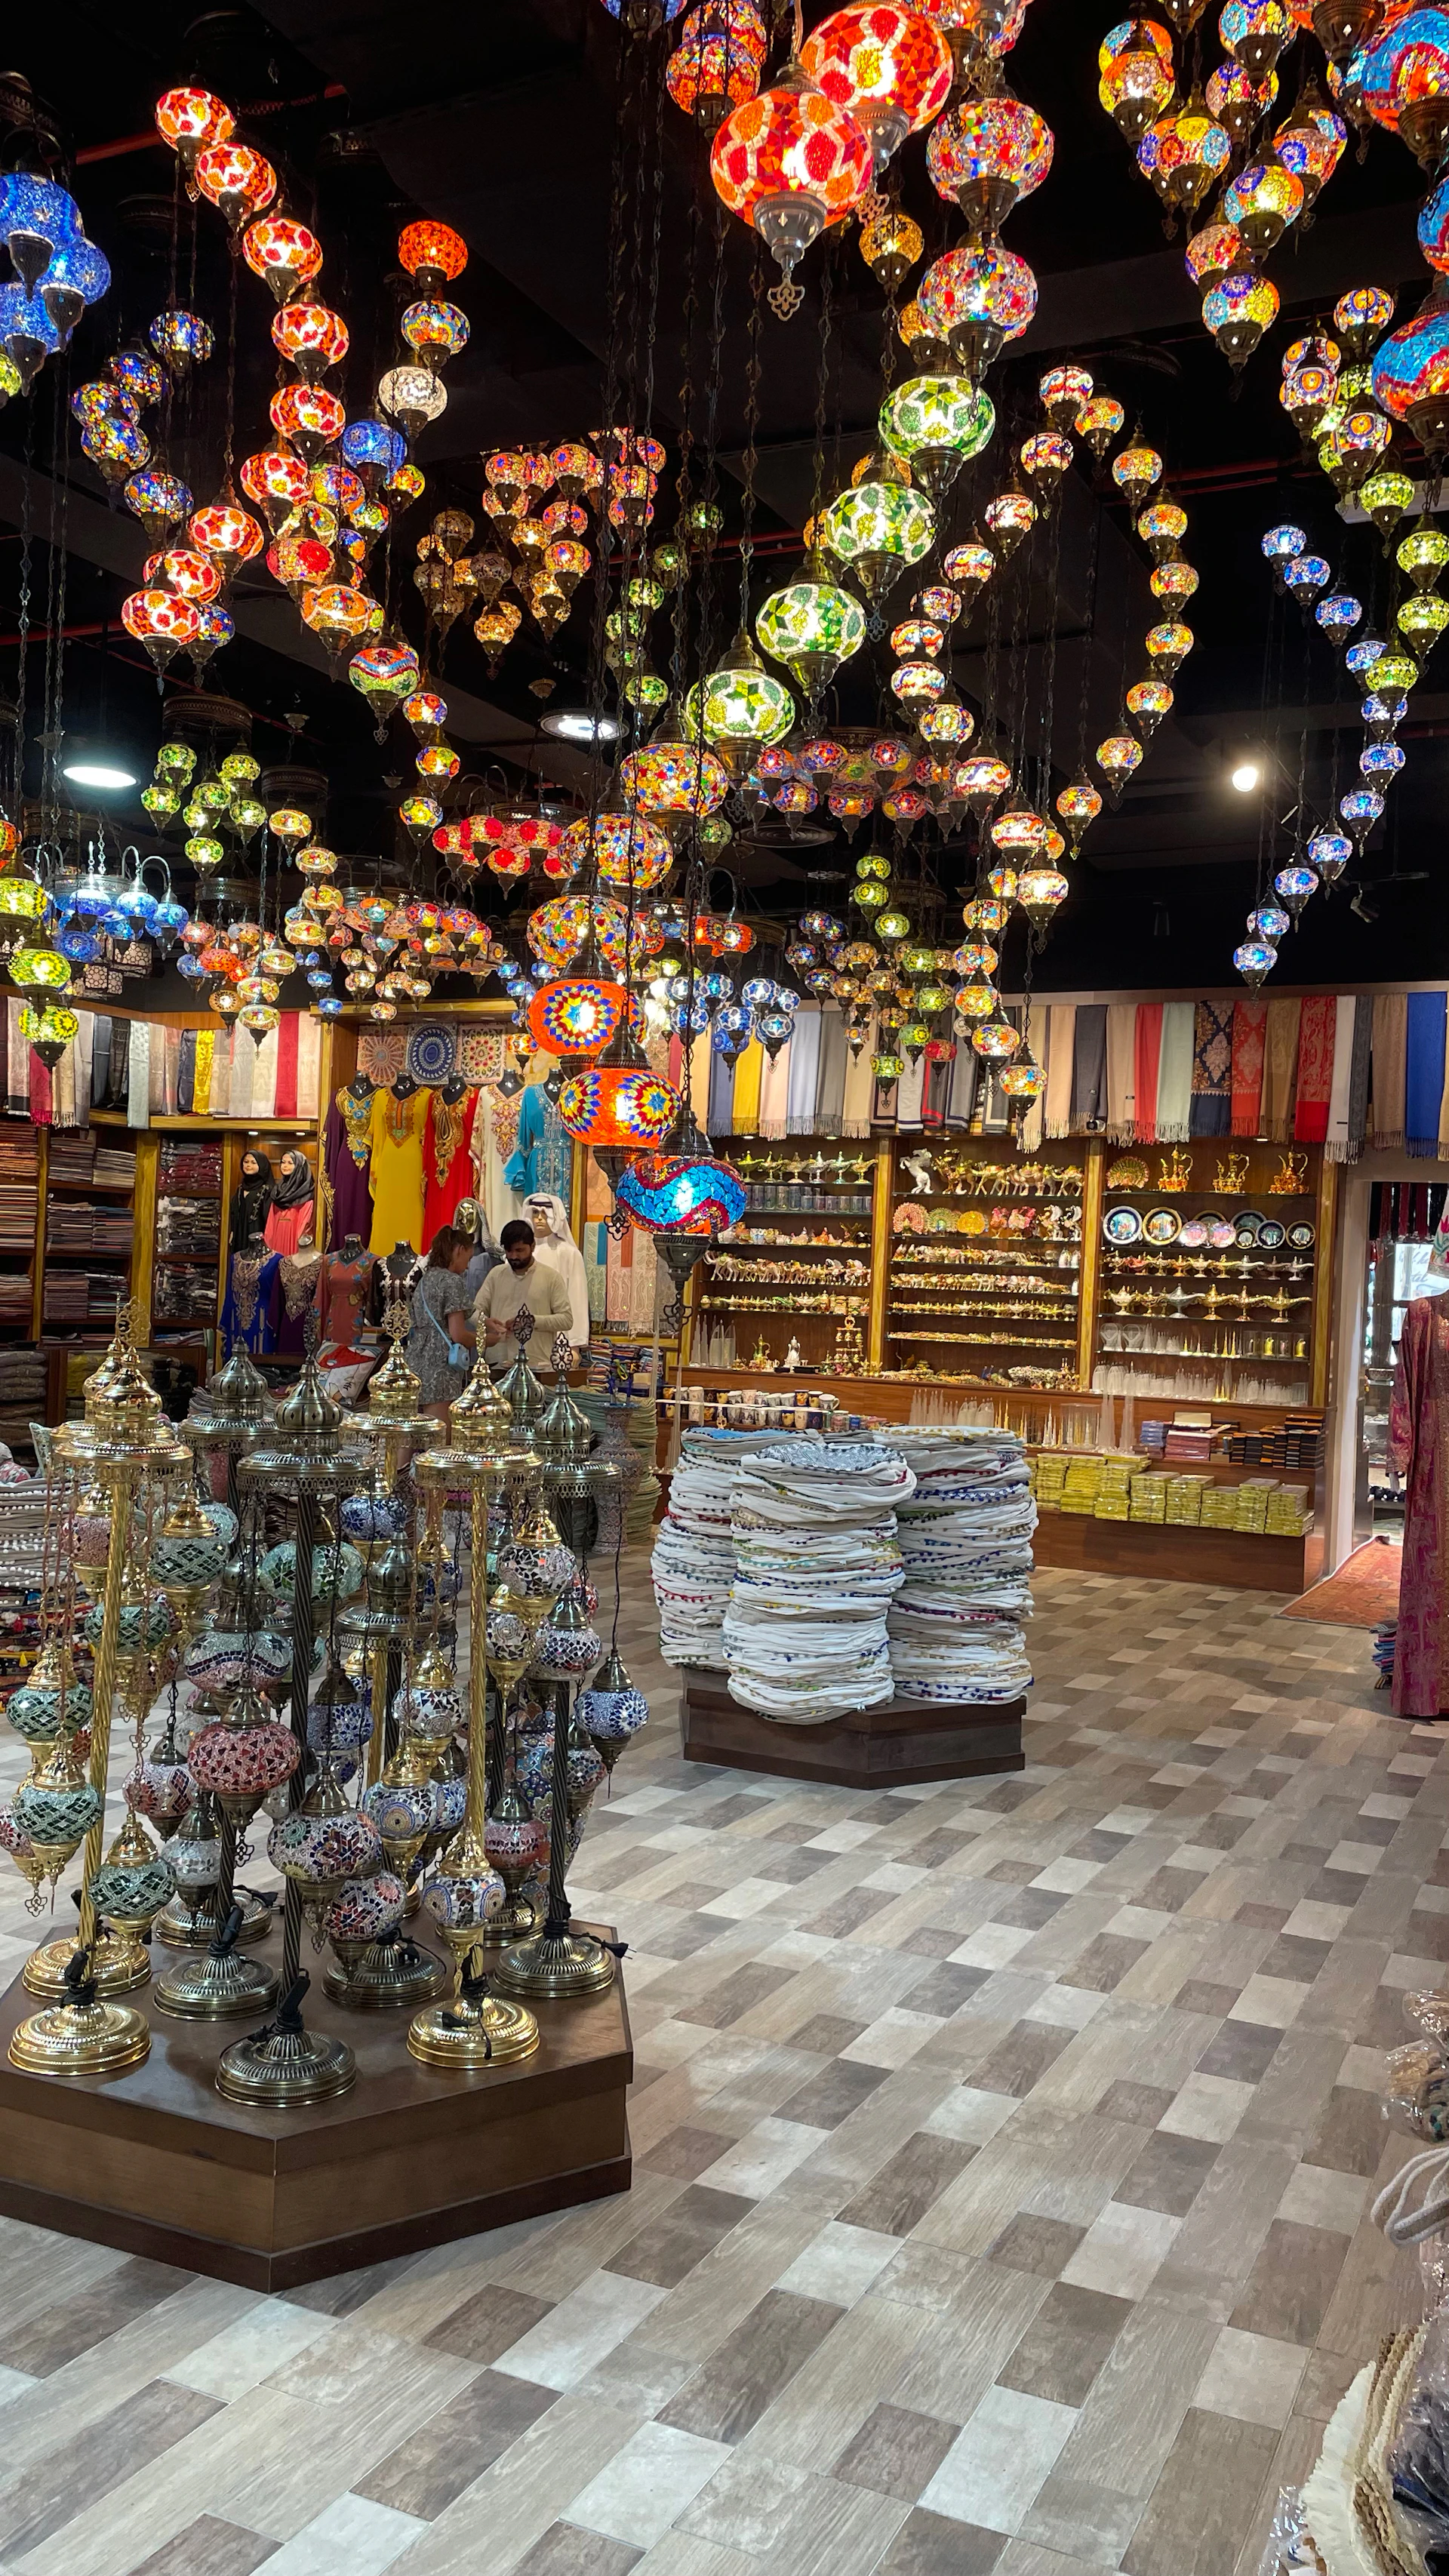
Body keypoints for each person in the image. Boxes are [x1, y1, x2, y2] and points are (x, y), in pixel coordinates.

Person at [472, 1218, 572, 1374]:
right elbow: (473, 1312)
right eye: (509, 1251)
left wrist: (531, 1321)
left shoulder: (551, 1277)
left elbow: (566, 1320)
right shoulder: (496, 1275)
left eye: (519, 1251)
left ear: (532, 1246)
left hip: (537, 1366)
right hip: (498, 1365)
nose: (513, 1256)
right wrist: (486, 1322)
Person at [406, 1224, 478, 1421]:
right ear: (459, 1250)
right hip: (440, 1368)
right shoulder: (452, 1282)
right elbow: (458, 1334)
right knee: (438, 1441)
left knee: (408, 1434)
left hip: (415, 1359)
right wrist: (485, 1340)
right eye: (468, 1258)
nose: (468, 1266)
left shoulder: (425, 1280)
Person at [522, 1190, 590, 1350]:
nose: (539, 1218)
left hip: (557, 1339)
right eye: (535, 1212)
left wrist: (574, 1346)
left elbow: (577, 1300)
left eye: (544, 1214)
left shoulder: (568, 1253)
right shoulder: (518, 1254)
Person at [453, 1196, 500, 1309]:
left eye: (468, 1216)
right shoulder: (448, 1256)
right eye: (461, 1217)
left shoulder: (491, 1259)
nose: (464, 1221)